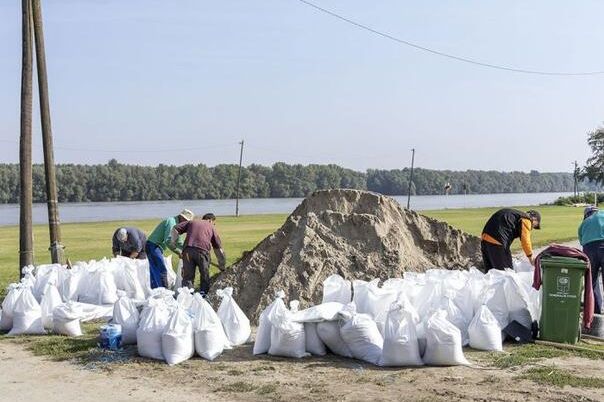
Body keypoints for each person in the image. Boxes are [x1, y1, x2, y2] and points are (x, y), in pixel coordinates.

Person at [171, 212, 226, 296]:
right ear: (210, 220)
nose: (214, 224)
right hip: (202, 252)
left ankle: (187, 296)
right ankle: (203, 295)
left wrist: (173, 242)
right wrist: (222, 265)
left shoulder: (192, 222)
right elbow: (218, 248)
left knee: (187, 277)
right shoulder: (211, 226)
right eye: (214, 223)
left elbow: (175, 228)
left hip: (188, 252)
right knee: (204, 274)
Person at [145, 209, 194, 289]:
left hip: (157, 247)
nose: (186, 223)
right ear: (182, 217)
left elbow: (178, 241)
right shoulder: (171, 222)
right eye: (186, 221)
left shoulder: (178, 225)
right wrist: (178, 252)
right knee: (161, 270)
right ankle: (164, 292)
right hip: (153, 246)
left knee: (155, 270)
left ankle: (157, 290)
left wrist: (187, 248)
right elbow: (168, 241)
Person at [578, 205, 603, 314]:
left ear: (586, 214)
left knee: (591, 282)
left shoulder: (583, 223)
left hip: (589, 250)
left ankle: (595, 313)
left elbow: (582, 241)